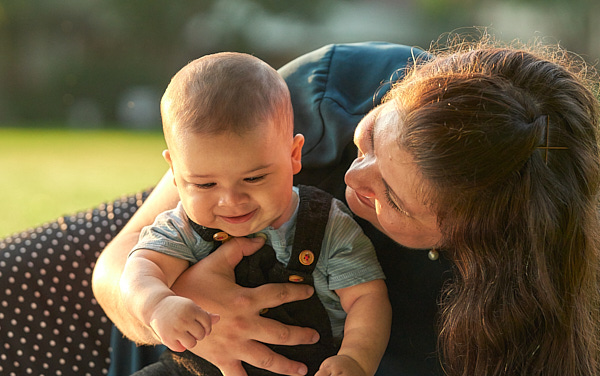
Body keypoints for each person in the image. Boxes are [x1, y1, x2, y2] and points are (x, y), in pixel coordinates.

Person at [93, 38, 600, 376]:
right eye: (375, 135)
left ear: (472, 242)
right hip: (134, 322)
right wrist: (172, 304)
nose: (353, 178)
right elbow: (116, 266)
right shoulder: (334, 90)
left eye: (393, 199)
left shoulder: (522, 322)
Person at [119, 52, 391, 376]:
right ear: (175, 173)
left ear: (293, 155)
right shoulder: (181, 228)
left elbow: (366, 297)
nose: (231, 200)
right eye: (205, 184)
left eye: (254, 178)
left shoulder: (326, 225)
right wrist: (156, 305)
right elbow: (141, 269)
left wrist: (356, 359)